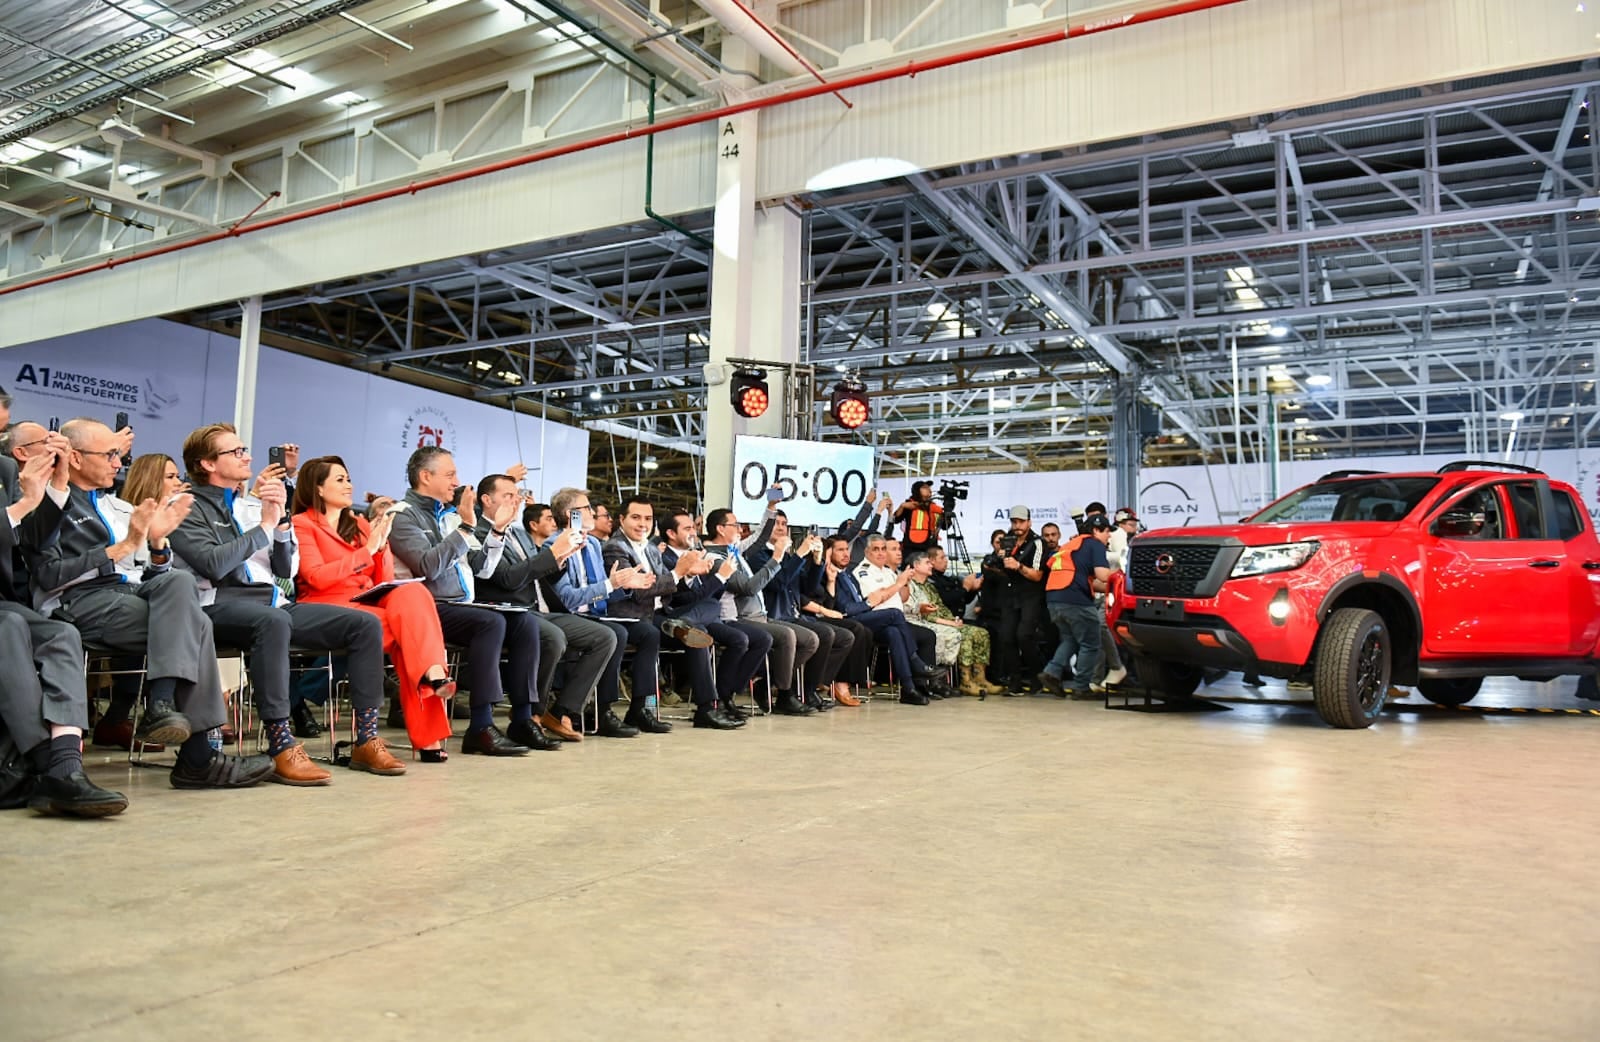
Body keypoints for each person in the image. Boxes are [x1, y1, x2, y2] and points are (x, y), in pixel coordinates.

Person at [24, 419, 272, 789]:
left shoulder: (118, 506)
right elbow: (48, 575)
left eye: (117, 454)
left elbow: (150, 578)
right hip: (80, 602)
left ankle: (162, 708)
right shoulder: (50, 503)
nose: (118, 463)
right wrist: (118, 549)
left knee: (179, 582)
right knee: (199, 624)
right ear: (74, 458)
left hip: (129, 597)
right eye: (109, 454)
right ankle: (195, 752)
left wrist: (156, 545)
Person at [172, 425, 397, 784]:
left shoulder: (249, 506)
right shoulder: (184, 506)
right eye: (235, 452)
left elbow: (284, 569)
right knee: (271, 622)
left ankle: (366, 739)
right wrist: (264, 525)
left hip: (271, 602)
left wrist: (279, 526)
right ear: (206, 463)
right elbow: (212, 564)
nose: (247, 456)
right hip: (215, 604)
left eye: (245, 449)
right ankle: (280, 743)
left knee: (364, 624)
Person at [292, 456, 465, 762]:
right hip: (325, 605)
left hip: (366, 602)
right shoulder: (302, 525)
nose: (349, 486)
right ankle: (429, 727)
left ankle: (433, 675)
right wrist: (368, 550)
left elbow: (381, 581)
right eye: (340, 480)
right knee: (408, 637)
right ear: (317, 488)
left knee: (413, 591)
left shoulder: (357, 524)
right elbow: (315, 578)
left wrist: (382, 548)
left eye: (348, 479)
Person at [0, 427, 129, 817]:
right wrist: (25, 504)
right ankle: (47, 763)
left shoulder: (9, 473)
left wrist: (55, 485)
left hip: (8, 601)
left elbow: (33, 542)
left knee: (60, 633)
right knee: (10, 627)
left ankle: (67, 762)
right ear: (23, 451)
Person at [388, 446, 539, 757]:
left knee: (524, 622)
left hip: (461, 604)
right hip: (427, 609)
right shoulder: (402, 515)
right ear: (425, 476)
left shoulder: (449, 515)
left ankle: (523, 717)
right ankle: (481, 726)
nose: (456, 480)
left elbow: (481, 566)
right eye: (449, 474)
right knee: (490, 622)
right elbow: (427, 566)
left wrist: (496, 530)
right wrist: (466, 527)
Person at [476, 476, 636, 742]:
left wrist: (562, 560)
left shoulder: (521, 534)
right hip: (514, 610)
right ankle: (531, 715)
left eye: (517, 495)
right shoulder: (483, 532)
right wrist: (557, 555)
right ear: (486, 500)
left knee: (607, 635)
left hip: (544, 609)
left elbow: (542, 576)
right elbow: (508, 578)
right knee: (555, 636)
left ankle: (564, 709)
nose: (516, 500)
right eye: (508, 495)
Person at [601, 496, 730, 730]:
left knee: (703, 620)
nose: (643, 524)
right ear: (622, 519)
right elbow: (639, 592)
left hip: (660, 613)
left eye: (648, 518)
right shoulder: (614, 547)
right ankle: (643, 707)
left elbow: (665, 589)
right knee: (654, 633)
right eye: (636, 517)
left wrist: (688, 574)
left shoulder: (650, 548)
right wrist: (678, 573)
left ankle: (706, 708)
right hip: (632, 616)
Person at [703, 507, 820, 716]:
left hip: (761, 616)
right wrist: (776, 558)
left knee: (810, 639)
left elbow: (759, 537)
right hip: (737, 618)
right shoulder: (715, 557)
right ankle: (783, 693)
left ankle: (768, 682)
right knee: (785, 636)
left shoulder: (733, 549)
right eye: (735, 525)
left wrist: (771, 507)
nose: (739, 528)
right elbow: (748, 588)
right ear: (721, 529)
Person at [659, 509, 770, 727]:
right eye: (688, 528)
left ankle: (725, 695)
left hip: (700, 616)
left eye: (694, 527)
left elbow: (709, 595)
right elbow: (682, 598)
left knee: (756, 639)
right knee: (703, 624)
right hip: (676, 614)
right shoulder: (666, 557)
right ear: (671, 533)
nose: (694, 532)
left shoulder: (698, 552)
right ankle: (708, 707)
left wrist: (715, 577)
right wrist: (718, 576)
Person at [751, 512, 854, 710]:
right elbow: (778, 584)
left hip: (793, 614)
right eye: (776, 524)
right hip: (774, 614)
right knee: (822, 634)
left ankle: (807, 688)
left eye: (784, 524)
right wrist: (799, 555)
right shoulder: (759, 555)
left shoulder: (789, 556)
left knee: (844, 637)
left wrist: (816, 562)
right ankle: (785, 690)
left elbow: (809, 589)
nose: (781, 527)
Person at [821, 535, 941, 704]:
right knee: (894, 614)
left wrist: (904, 581)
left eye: (846, 549)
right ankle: (915, 663)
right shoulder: (858, 572)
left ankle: (908, 688)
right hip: (858, 619)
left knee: (894, 632)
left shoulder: (849, 574)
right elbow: (849, 607)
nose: (846, 553)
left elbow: (901, 598)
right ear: (866, 552)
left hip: (877, 620)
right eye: (840, 550)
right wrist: (872, 601)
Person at [1038, 514, 1114, 699]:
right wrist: (1124, 577)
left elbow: (1091, 581)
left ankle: (1051, 672)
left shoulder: (1072, 545)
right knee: (1091, 643)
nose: (1109, 536)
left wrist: (1112, 589)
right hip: (1075, 600)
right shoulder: (1094, 544)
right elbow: (1104, 575)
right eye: (1107, 532)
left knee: (1070, 639)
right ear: (1096, 531)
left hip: (1054, 598)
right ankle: (1082, 687)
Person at [906, 552, 1003, 696]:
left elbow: (941, 608)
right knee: (962, 635)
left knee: (981, 633)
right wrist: (950, 623)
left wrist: (953, 620)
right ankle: (965, 681)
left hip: (943, 621)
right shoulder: (911, 586)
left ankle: (980, 678)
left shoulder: (930, 586)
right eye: (927, 562)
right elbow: (925, 614)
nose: (931, 565)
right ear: (916, 566)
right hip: (924, 623)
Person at [988, 505, 1047, 694]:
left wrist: (1018, 566)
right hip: (1009, 594)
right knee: (1006, 638)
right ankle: (1015, 681)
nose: (1017, 525)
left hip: (1030, 595)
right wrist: (997, 562)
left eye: (1021, 521)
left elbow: (1038, 575)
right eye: (1014, 521)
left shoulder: (1037, 543)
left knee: (1024, 636)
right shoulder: (1008, 540)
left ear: (1029, 522)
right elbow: (999, 569)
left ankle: (1037, 676)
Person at [893, 480, 945, 561]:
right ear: (917, 490)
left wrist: (946, 513)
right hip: (911, 548)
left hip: (930, 548)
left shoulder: (934, 507)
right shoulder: (910, 504)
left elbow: (945, 526)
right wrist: (902, 506)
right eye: (925, 487)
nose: (929, 490)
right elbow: (895, 519)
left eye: (929, 488)